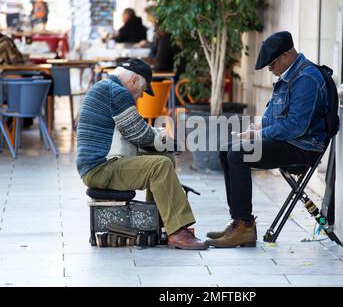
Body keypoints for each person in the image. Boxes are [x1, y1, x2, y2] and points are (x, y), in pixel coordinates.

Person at [206, 31, 329, 248]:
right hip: (288, 141)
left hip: (302, 146)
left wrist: (259, 135)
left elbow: (296, 126)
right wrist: (257, 127)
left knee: (238, 154)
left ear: (287, 55)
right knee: (227, 150)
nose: (270, 70)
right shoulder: (289, 75)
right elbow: (275, 116)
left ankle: (245, 226)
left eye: (271, 64)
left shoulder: (307, 78)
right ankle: (238, 221)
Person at [76, 58, 208, 250]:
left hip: (103, 163)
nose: (140, 97)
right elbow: (138, 133)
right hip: (99, 168)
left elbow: (134, 134)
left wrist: (164, 145)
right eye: (142, 91)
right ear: (134, 80)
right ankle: (178, 231)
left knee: (165, 158)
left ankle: (157, 221)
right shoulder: (117, 92)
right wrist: (165, 139)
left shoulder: (108, 87)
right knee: (159, 166)